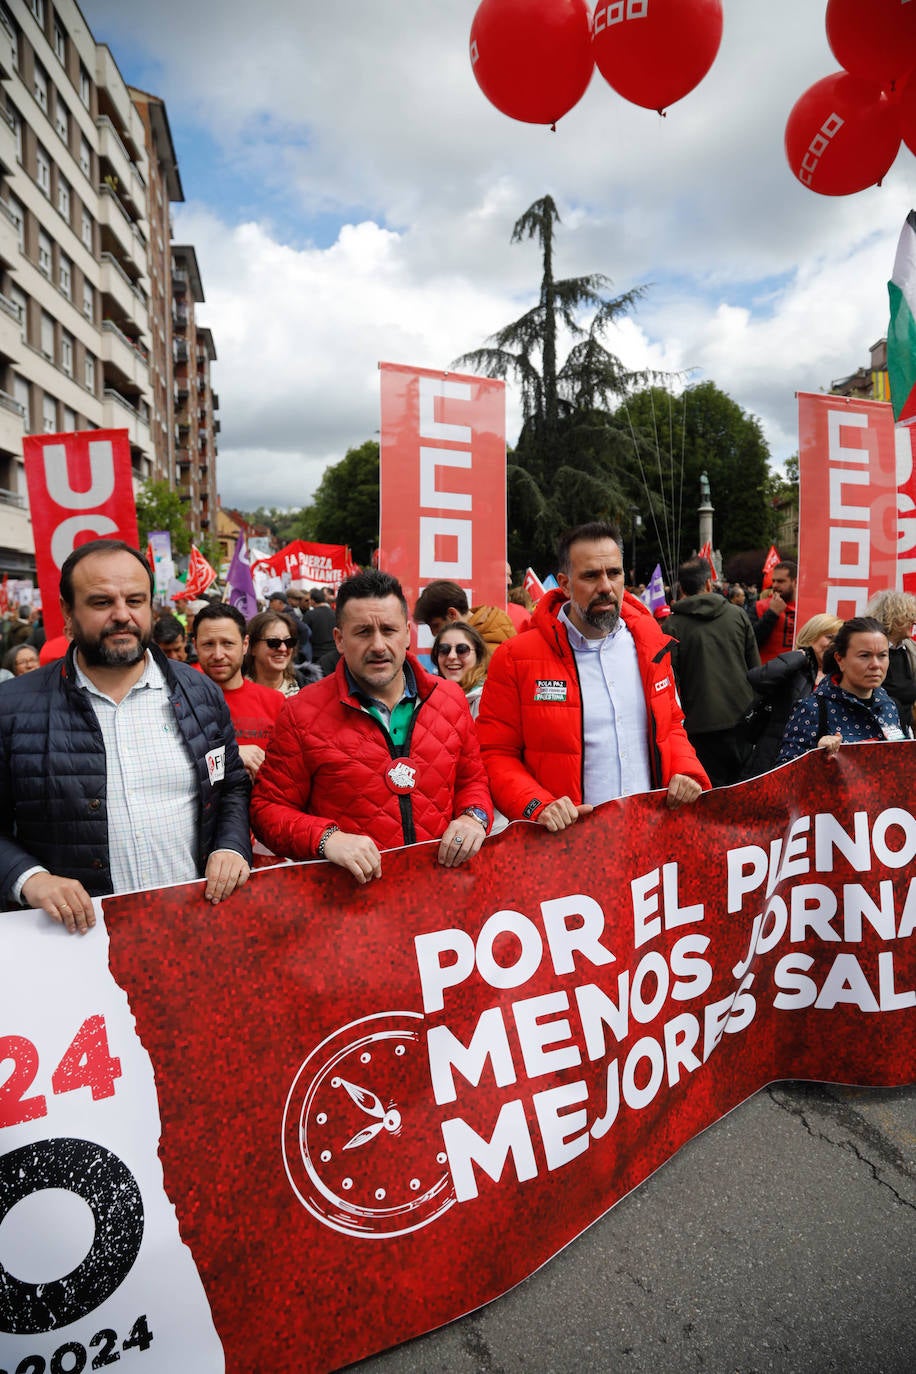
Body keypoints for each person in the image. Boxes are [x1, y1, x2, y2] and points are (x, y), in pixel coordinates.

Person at [0, 539, 251, 934]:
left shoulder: (198, 692)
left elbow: (232, 786)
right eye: (101, 603)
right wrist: (29, 878)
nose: (122, 615)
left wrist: (230, 846)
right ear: (68, 612)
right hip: (78, 942)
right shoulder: (11, 707)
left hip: (193, 928)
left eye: (135, 600)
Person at [251, 569, 492, 883]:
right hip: (354, 910)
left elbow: (473, 780)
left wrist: (474, 817)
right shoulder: (301, 713)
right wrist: (326, 839)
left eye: (389, 630)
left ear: (407, 634)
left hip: (442, 896)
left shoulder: (449, 698)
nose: (378, 645)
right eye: (363, 632)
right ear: (339, 639)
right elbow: (267, 809)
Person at [477, 522, 710, 831]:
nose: (605, 586)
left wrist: (686, 771)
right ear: (564, 583)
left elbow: (672, 727)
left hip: (648, 836)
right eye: (590, 575)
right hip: (567, 849)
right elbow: (495, 753)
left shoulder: (650, 642)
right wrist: (537, 805)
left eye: (614, 573)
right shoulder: (514, 658)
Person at [668, 556, 761, 786]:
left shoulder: (672, 626)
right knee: (746, 790)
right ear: (709, 583)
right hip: (743, 720)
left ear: (681, 588)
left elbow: (672, 685)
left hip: (699, 728)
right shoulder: (738, 615)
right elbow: (756, 670)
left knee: (712, 797)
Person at [776, 616, 909, 764]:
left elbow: (902, 766)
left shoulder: (890, 706)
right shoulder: (813, 708)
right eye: (864, 656)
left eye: (882, 655)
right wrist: (815, 756)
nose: (876, 665)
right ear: (840, 659)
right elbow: (785, 776)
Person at [741, 613, 842, 779]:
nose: (833, 644)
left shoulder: (840, 675)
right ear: (811, 636)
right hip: (776, 754)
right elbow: (757, 678)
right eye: (829, 637)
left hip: (822, 758)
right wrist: (797, 657)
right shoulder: (795, 668)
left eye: (838, 640)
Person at [192, 602, 285, 781]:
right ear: (195, 646)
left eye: (227, 644)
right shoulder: (180, 704)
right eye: (208, 644)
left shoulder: (276, 702)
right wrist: (231, 754)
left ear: (244, 645)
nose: (218, 654)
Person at [412, 580, 515, 663]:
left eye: (436, 625)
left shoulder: (488, 653)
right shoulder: (491, 631)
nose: (434, 633)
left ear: (452, 614)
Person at [864, 588, 916, 736]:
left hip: (904, 732)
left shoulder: (910, 650)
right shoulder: (866, 648)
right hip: (872, 733)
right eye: (908, 616)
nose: (914, 621)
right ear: (893, 617)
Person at [430, 621, 489, 718]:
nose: (451, 656)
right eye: (444, 649)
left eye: (462, 649)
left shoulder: (488, 698)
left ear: (478, 655)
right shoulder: (426, 697)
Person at [244, 609, 307, 697]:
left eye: (289, 642)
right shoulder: (232, 696)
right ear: (253, 647)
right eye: (273, 642)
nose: (283, 648)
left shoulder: (307, 691)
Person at [755, 561, 797, 663]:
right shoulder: (759, 607)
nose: (774, 585)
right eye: (773, 581)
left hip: (799, 674)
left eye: (780, 581)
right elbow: (751, 642)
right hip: (767, 673)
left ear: (795, 582)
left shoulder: (807, 607)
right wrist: (772, 613)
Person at [304, 587, 338, 662]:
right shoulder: (335, 614)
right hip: (334, 653)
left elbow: (304, 634)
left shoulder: (309, 615)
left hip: (316, 655)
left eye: (309, 600)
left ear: (313, 601)